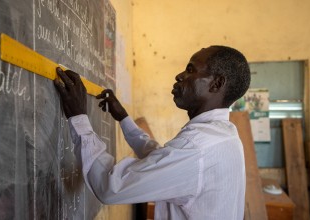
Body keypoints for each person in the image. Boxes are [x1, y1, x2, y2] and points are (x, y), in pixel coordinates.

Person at [54, 45, 251, 220]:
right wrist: (124, 119)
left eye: (191, 69)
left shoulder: (197, 147)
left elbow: (111, 187)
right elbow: (161, 160)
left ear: (216, 84)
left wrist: (79, 118)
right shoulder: (225, 135)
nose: (180, 76)